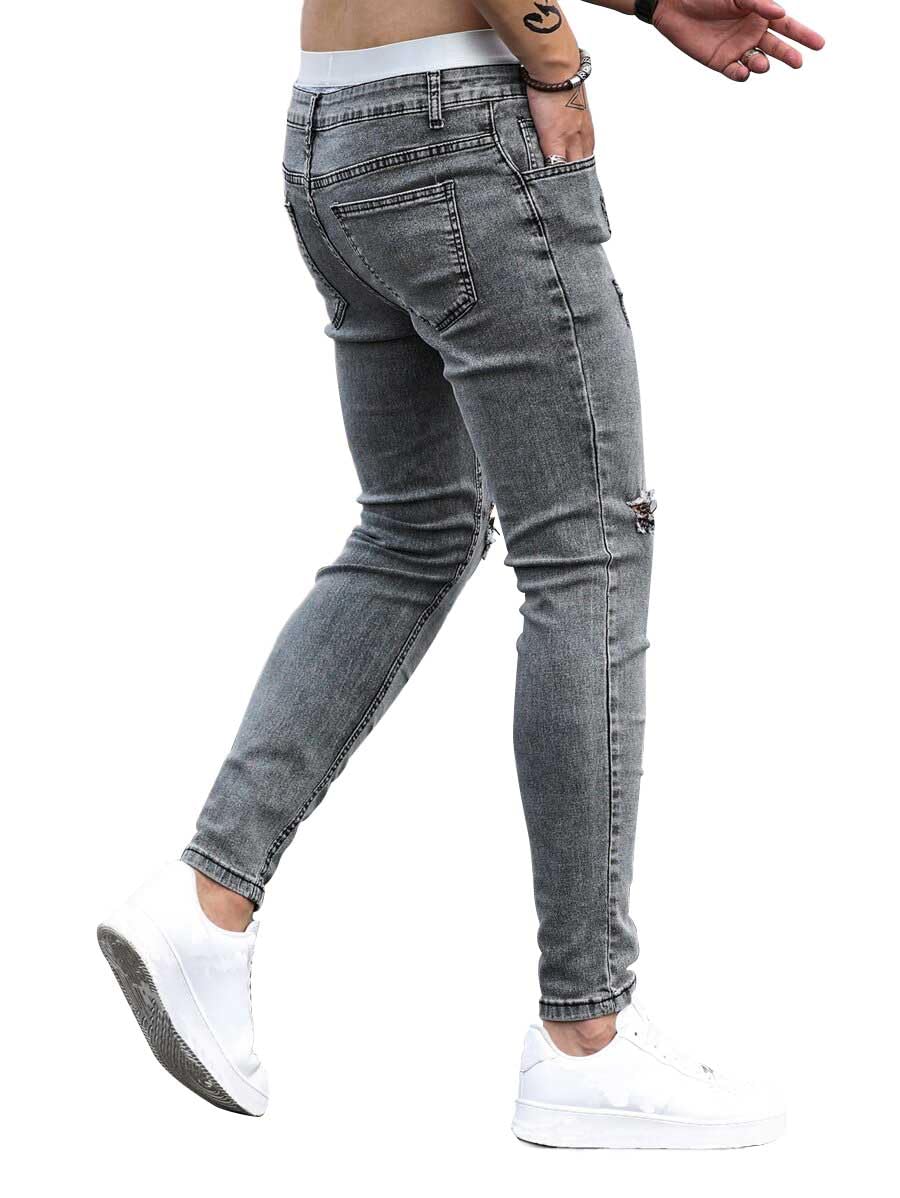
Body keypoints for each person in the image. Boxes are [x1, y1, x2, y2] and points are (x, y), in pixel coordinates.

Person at [97, 0, 824, 1147]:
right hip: (459, 128)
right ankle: (586, 1036)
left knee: (414, 531)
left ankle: (207, 898)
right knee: (587, 551)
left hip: (336, 122)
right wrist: (556, 59)